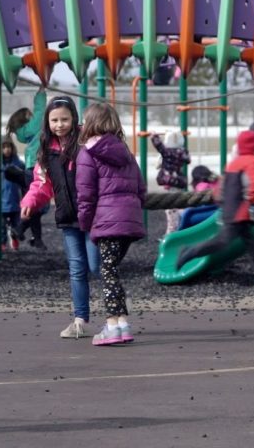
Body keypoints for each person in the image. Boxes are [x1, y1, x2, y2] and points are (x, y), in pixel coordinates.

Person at [20, 95, 102, 339]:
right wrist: (30, 201)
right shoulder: (46, 149)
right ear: (47, 122)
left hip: (91, 215)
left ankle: (114, 316)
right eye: (54, 120)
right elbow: (42, 183)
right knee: (76, 269)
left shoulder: (86, 143)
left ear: (74, 118)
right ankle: (80, 320)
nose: (59, 124)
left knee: (97, 266)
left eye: (64, 119)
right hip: (67, 215)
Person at [174, 129, 254, 288]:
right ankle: (190, 251)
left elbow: (222, 185)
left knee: (251, 243)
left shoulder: (234, 162)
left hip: (229, 208)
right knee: (223, 242)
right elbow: (253, 187)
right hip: (241, 211)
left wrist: (220, 201)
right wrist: (252, 205)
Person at [75, 103, 147, 346]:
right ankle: (121, 323)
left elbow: (85, 194)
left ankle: (114, 325)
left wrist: (86, 224)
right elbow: (141, 187)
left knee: (108, 273)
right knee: (111, 270)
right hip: (129, 221)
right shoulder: (125, 152)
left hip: (106, 221)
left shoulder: (87, 153)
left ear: (89, 124)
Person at [150, 131, 190, 237]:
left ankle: (171, 233)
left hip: (169, 180)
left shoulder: (167, 152)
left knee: (171, 210)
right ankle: (178, 224)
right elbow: (188, 160)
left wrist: (154, 136)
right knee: (178, 203)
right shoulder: (182, 152)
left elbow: (159, 146)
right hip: (179, 181)